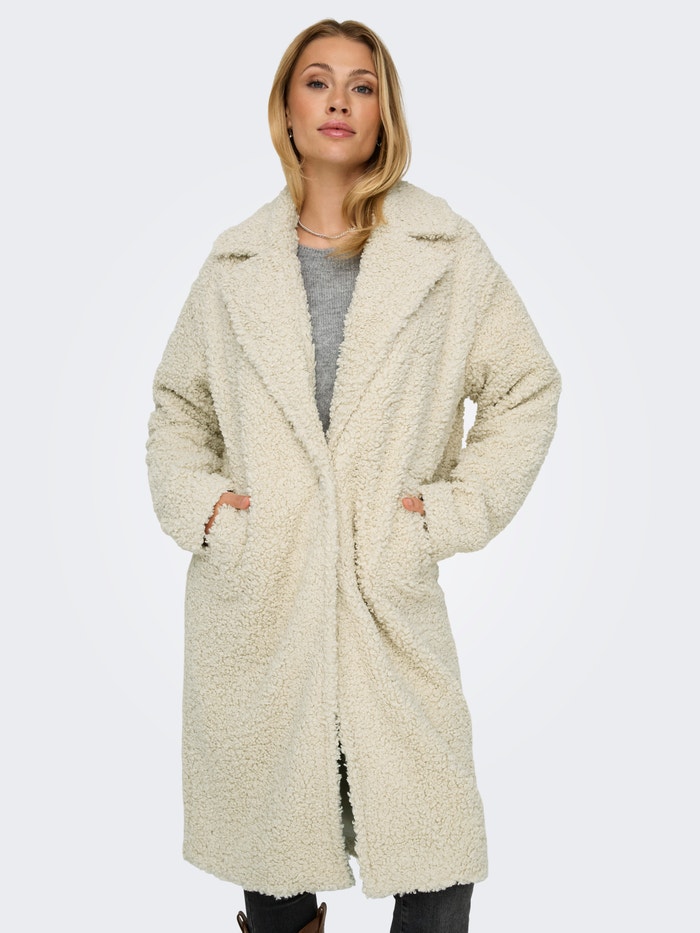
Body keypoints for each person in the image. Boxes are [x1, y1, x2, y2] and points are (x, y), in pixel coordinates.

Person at [146, 18, 561, 933]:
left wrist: (445, 516)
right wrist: (212, 514)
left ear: (383, 112)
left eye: (362, 85)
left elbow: (526, 386)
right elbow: (178, 406)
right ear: (287, 110)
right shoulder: (235, 262)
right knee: (275, 869)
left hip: (387, 595)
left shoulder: (443, 251)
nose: (339, 100)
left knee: (436, 860)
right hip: (260, 601)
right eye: (318, 81)